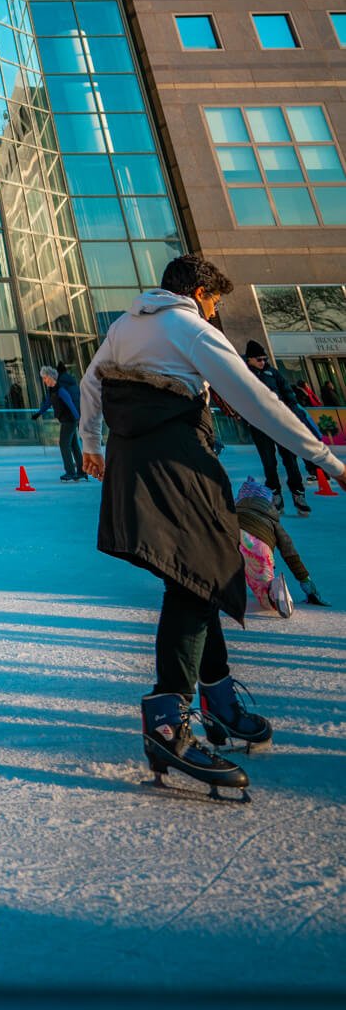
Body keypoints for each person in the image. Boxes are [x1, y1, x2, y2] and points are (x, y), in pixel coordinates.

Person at [79, 253, 346, 797]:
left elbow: (90, 383)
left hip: (134, 464)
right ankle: (167, 725)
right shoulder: (189, 327)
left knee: (198, 575)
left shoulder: (125, 325)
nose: (215, 311)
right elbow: (256, 399)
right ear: (199, 292)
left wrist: (89, 442)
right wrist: (328, 460)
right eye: (215, 301)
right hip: (179, 462)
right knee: (195, 579)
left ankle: (218, 700)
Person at [241, 340, 315, 516]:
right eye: (259, 359)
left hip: (281, 422)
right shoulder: (243, 374)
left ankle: (298, 493)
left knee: (290, 459)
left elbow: (288, 392)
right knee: (269, 461)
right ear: (249, 359)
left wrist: (292, 411)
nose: (262, 362)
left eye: (264, 359)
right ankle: (275, 494)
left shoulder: (272, 373)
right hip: (260, 425)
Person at [234, 475, 325, 616]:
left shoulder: (233, 511)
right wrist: (304, 579)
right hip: (260, 547)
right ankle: (274, 590)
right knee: (263, 591)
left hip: (233, 539)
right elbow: (289, 551)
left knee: (224, 571)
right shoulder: (272, 520)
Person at [32, 364, 85, 481]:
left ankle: (70, 472)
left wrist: (77, 419)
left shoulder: (61, 390)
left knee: (63, 444)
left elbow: (70, 404)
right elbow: (47, 404)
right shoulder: (52, 391)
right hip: (66, 420)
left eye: (45, 378)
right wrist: (39, 413)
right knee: (73, 445)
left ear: (51, 377)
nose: (44, 380)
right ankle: (81, 471)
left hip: (70, 420)